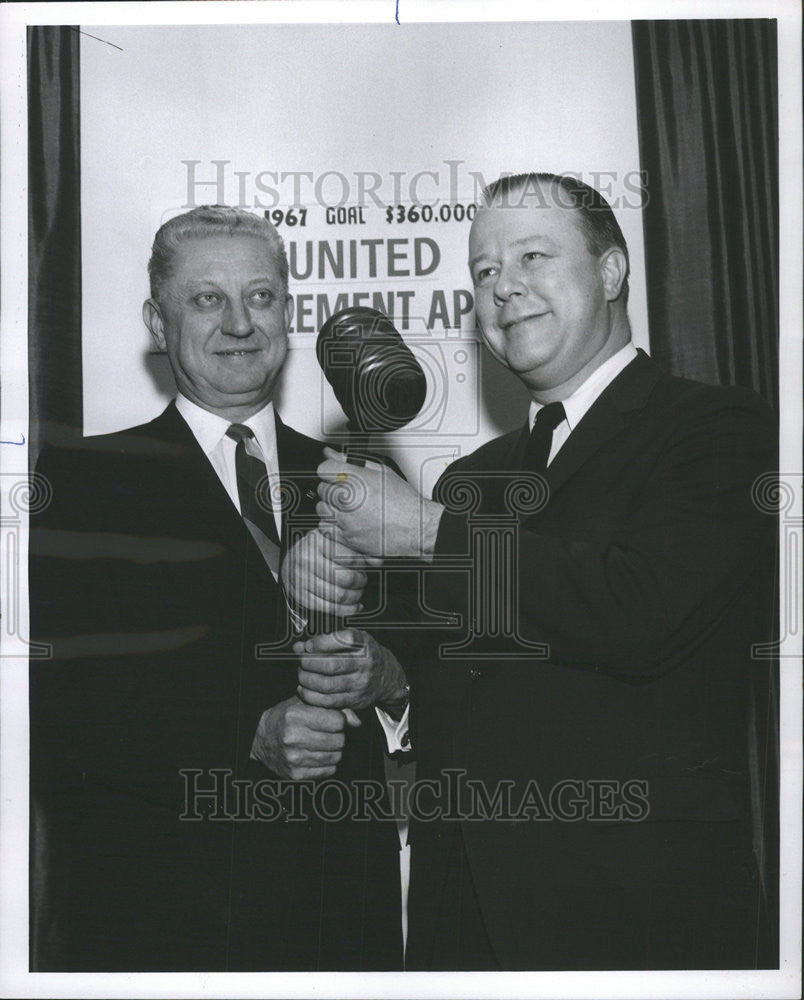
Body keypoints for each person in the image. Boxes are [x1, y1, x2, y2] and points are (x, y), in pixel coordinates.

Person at [286, 174, 779, 970]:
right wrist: (378, 671)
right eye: (484, 273)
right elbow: (451, 678)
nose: (504, 287)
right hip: (461, 923)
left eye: (533, 256)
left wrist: (419, 527)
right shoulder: (474, 476)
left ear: (613, 272)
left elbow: (639, 611)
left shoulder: (722, 430)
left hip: (636, 924)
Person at [29, 206, 403, 972]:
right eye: (207, 299)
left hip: (341, 924)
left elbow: (434, 670)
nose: (239, 323)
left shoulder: (365, 483)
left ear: (288, 313)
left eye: (260, 297)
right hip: (163, 925)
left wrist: (390, 680)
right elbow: (57, 710)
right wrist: (247, 737)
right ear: (157, 323)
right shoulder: (80, 484)